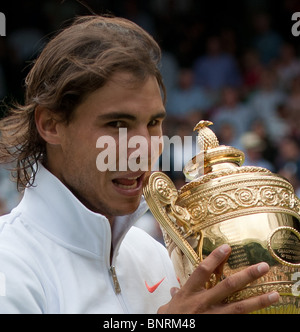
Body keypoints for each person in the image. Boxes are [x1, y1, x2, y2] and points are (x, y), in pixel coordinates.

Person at [0, 15, 279, 314]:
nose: (144, 148)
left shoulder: (152, 255)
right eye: (117, 123)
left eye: (154, 123)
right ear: (51, 124)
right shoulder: (10, 263)